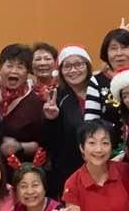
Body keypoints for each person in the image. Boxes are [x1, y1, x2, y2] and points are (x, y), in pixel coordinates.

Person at [41, 45, 95, 198]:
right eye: (67, 66)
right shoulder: (56, 97)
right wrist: (51, 119)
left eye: (78, 64)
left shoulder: (100, 90)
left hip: (104, 162)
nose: (73, 70)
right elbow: (49, 142)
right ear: (60, 71)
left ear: (87, 66)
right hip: (70, 170)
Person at [85, 26, 129, 131]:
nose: (119, 53)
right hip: (107, 141)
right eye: (113, 48)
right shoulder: (97, 81)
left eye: (124, 47)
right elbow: (90, 124)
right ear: (106, 54)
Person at [0, 44, 43, 166]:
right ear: (0, 68)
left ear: (27, 72)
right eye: (9, 65)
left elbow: (43, 144)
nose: (14, 71)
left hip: (21, 169)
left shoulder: (36, 103)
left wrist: (19, 146)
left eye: (20, 67)